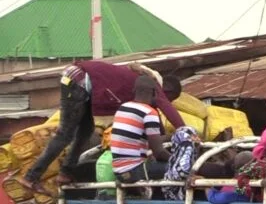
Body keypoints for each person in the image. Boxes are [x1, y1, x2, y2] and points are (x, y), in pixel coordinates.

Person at [12, 63, 184, 191]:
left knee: (86, 130)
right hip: (78, 80)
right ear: (160, 90)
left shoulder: (133, 84)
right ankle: (31, 177)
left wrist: (162, 134)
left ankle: (65, 173)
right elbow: (164, 108)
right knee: (66, 133)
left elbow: (151, 118)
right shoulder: (148, 84)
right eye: (167, 97)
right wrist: (184, 130)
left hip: (78, 81)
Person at [110, 76, 171, 184]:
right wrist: (179, 161)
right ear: (154, 93)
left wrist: (170, 137)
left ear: (134, 90)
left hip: (119, 172)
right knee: (185, 169)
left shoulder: (123, 107)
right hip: (135, 170)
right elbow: (159, 153)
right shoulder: (149, 112)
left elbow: (137, 140)